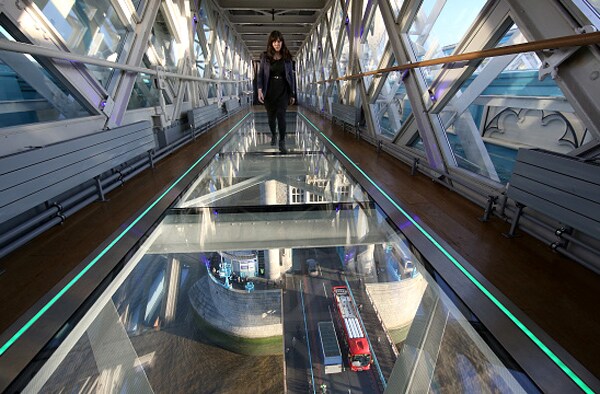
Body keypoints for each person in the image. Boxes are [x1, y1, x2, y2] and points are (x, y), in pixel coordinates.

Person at [257, 30, 296, 153]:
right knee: (271, 118)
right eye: (274, 41)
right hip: (269, 91)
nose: (277, 44)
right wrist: (259, 90)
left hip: (283, 90)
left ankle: (282, 142)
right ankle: (274, 134)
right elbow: (260, 75)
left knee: (281, 117)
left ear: (282, 42)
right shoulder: (265, 57)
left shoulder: (287, 58)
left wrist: (292, 93)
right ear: (271, 43)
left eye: (279, 41)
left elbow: (290, 76)